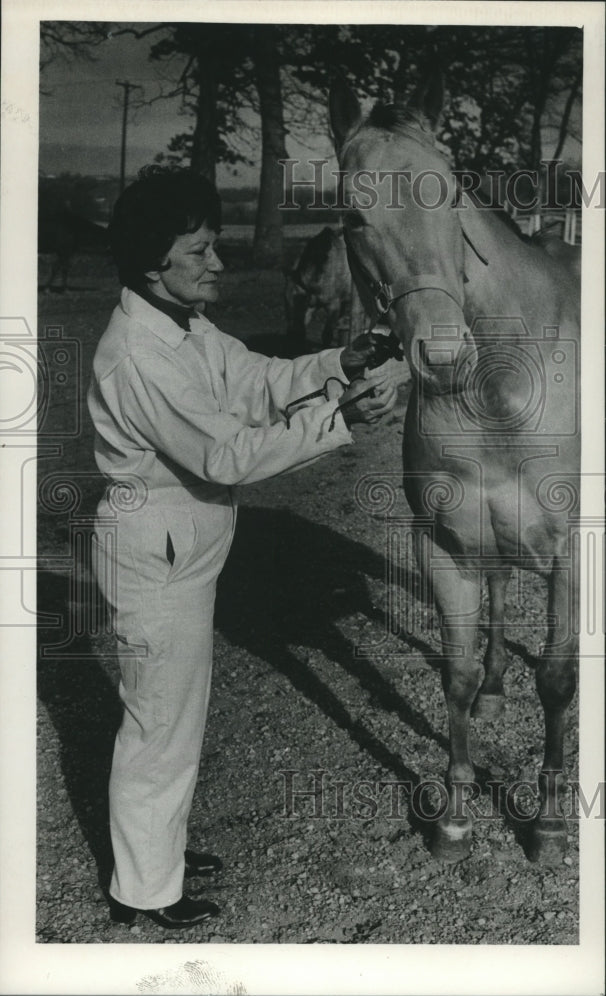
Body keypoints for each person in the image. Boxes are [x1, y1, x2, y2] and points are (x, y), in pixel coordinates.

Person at [88, 166, 398, 931]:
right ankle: (146, 892)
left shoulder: (182, 327)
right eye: (199, 252)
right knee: (159, 722)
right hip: (151, 554)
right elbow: (227, 456)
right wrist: (340, 422)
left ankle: (156, 851)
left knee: (176, 714)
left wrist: (338, 365)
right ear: (153, 263)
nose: (217, 264)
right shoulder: (140, 355)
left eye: (213, 247)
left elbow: (255, 376)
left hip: (179, 548)